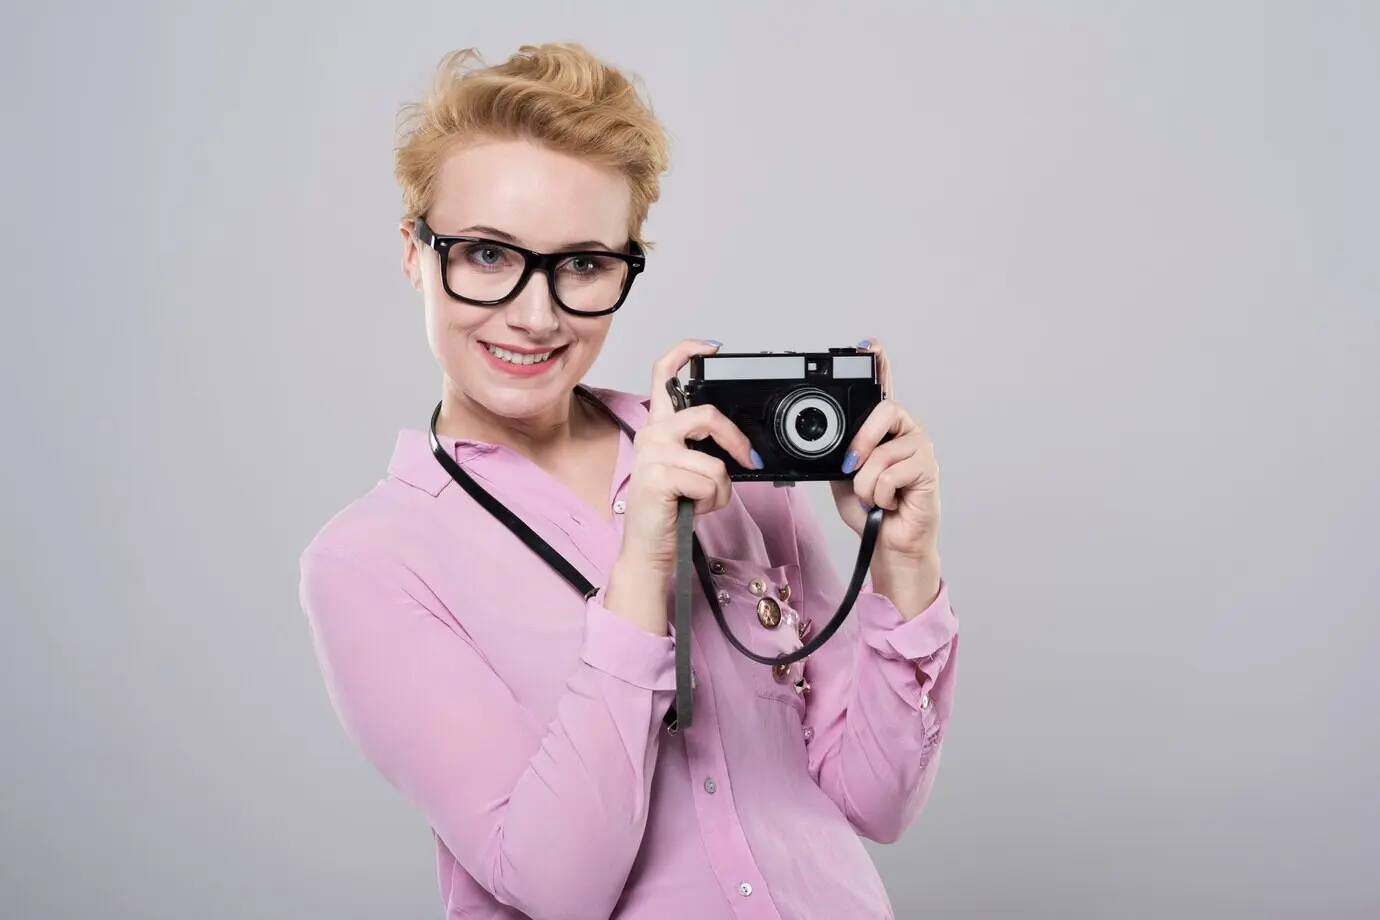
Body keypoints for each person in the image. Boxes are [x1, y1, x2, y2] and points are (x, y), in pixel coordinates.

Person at [298, 41, 960, 920]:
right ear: (416, 252)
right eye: (488, 255)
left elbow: (875, 800)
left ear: (625, 264)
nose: (535, 316)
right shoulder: (371, 562)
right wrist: (645, 567)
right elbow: (558, 886)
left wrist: (905, 566)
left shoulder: (724, 463)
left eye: (582, 265)